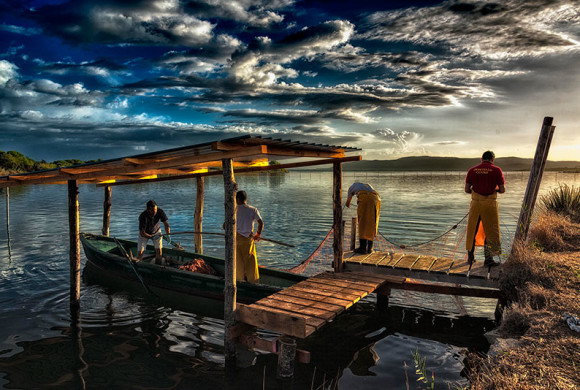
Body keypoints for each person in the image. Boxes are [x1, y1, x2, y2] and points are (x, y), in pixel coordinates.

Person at [465, 151, 505, 267]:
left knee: (472, 230)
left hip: (476, 204)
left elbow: (467, 190)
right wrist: (494, 189)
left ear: (481, 159)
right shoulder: (497, 170)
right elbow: (502, 190)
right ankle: (488, 260)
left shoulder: (472, 170)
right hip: (489, 205)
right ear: (492, 159)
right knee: (491, 231)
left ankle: (470, 258)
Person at [235, 190, 263, 283]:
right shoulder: (252, 209)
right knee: (251, 262)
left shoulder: (233, 210)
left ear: (237, 199)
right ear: (245, 199)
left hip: (236, 239)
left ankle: (239, 280)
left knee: (238, 261)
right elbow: (261, 223)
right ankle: (253, 281)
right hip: (248, 239)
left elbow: (225, 225)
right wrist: (258, 234)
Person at [345, 182, 381, 254]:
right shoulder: (367, 186)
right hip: (376, 199)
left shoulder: (351, 188)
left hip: (365, 199)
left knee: (363, 222)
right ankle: (370, 249)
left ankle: (363, 248)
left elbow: (348, 202)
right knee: (372, 222)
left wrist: (347, 204)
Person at [137, 200, 170, 265]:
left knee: (159, 252)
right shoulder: (143, 216)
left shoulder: (160, 211)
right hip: (144, 234)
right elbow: (142, 233)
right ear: (147, 209)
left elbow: (166, 224)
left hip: (156, 232)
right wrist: (151, 237)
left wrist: (168, 235)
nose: (154, 212)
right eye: (152, 210)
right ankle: (138, 265)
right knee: (140, 253)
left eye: (155, 209)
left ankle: (157, 266)